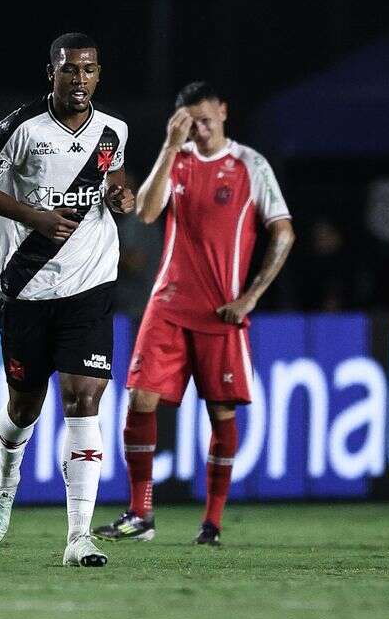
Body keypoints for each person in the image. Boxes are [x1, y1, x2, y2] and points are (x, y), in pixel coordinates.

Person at [95, 82, 294, 546]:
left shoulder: (250, 165)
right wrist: (168, 145)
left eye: (206, 118)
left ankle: (212, 522)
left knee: (221, 415)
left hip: (220, 313)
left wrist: (251, 297)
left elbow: (283, 233)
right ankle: (140, 514)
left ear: (223, 111)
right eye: (191, 121)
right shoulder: (177, 158)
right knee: (139, 401)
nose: (200, 128)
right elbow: (144, 212)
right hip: (166, 307)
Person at [0, 32, 134, 567]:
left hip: (90, 284)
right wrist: (34, 215)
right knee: (24, 405)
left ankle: (78, 536)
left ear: (99, 74)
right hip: (28, 287)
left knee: (85, 397)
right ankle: (6, 476)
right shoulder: (22, 128)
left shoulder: (113, 130)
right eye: (69, 70)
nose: (79, 79)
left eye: (88, 70)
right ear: (51, 73)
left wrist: (120, 195)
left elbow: (114, 175)